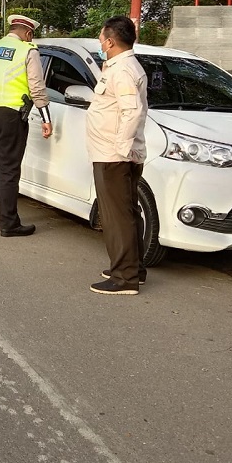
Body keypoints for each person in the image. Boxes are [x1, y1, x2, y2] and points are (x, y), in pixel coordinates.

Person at [0, 14, 52, 236]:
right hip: (9, 114)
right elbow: (37, 87)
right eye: (31, 36)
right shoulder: (28, 50)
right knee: (7, 170)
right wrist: (46, 118)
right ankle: (9, 223)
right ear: (28, 33)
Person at [86, 15, 149, 295]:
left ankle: (124, 278)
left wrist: (121, 150)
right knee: (127, 212)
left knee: (117, 216)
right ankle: (133, 268)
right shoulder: (120, 66)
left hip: (114, 154)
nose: (100, 43)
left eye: (101, 39)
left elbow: (131, 111)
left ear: (110, 41)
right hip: (114, 152)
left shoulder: (121, 70)